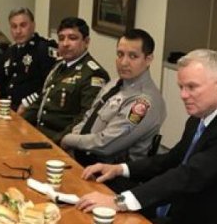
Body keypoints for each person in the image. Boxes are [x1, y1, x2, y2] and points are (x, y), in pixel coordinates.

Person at [77, 49, 217, 224]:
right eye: (181, 87)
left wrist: (118, 202)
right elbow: (171, 160)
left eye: (192, 87)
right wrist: (120, 169)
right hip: (179, 212)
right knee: (92, 221)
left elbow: (188, 176)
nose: (183, 95)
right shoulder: (200, 116)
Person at [61, 28, 164, 164]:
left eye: (133, 56)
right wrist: (73, 138)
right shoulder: (115, 84)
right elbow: (88, 117)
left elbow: (106, 145)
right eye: (120, 54)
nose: (123, 62)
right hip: (80, 156)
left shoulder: (143, 102)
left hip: (109, 170)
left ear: (148, 59)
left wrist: (68, 140)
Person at [21, 17, 109, 144]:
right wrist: (19, 123)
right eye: (61, 38)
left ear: (86, 42)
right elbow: (41, 101)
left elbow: (85, 118)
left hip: (61, 142)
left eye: (72, 38)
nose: (65, 43)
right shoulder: (59, 66)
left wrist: (57, 141)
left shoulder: (93, 74)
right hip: (38, 134)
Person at [0, 8, 57, 111]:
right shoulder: (11, 50)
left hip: (30, 110)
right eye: (14, 26)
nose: (18, 31)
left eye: (23, 25)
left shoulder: (43, 49)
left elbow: (50, 85)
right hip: (6, 108)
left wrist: (28, 103)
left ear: (33, 25)